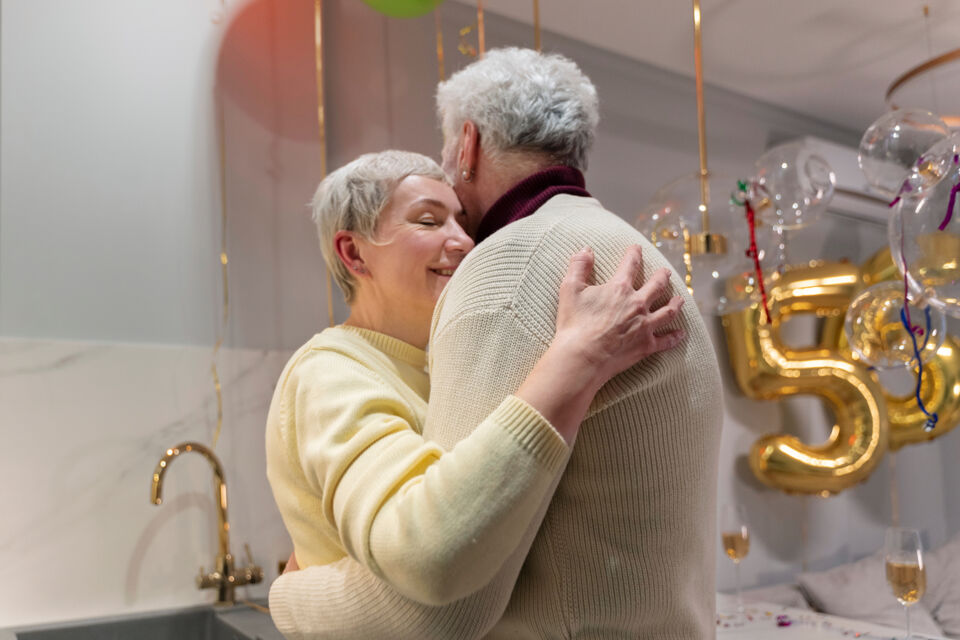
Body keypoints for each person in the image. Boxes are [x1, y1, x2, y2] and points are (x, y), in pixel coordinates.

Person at [270, 49, 723, 639]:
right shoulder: (633, 252)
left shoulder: (513, 262)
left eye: (458, 218)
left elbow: (444, 600)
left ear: (466, 147)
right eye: (431, 221)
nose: (462, 241)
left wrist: (287, 595)